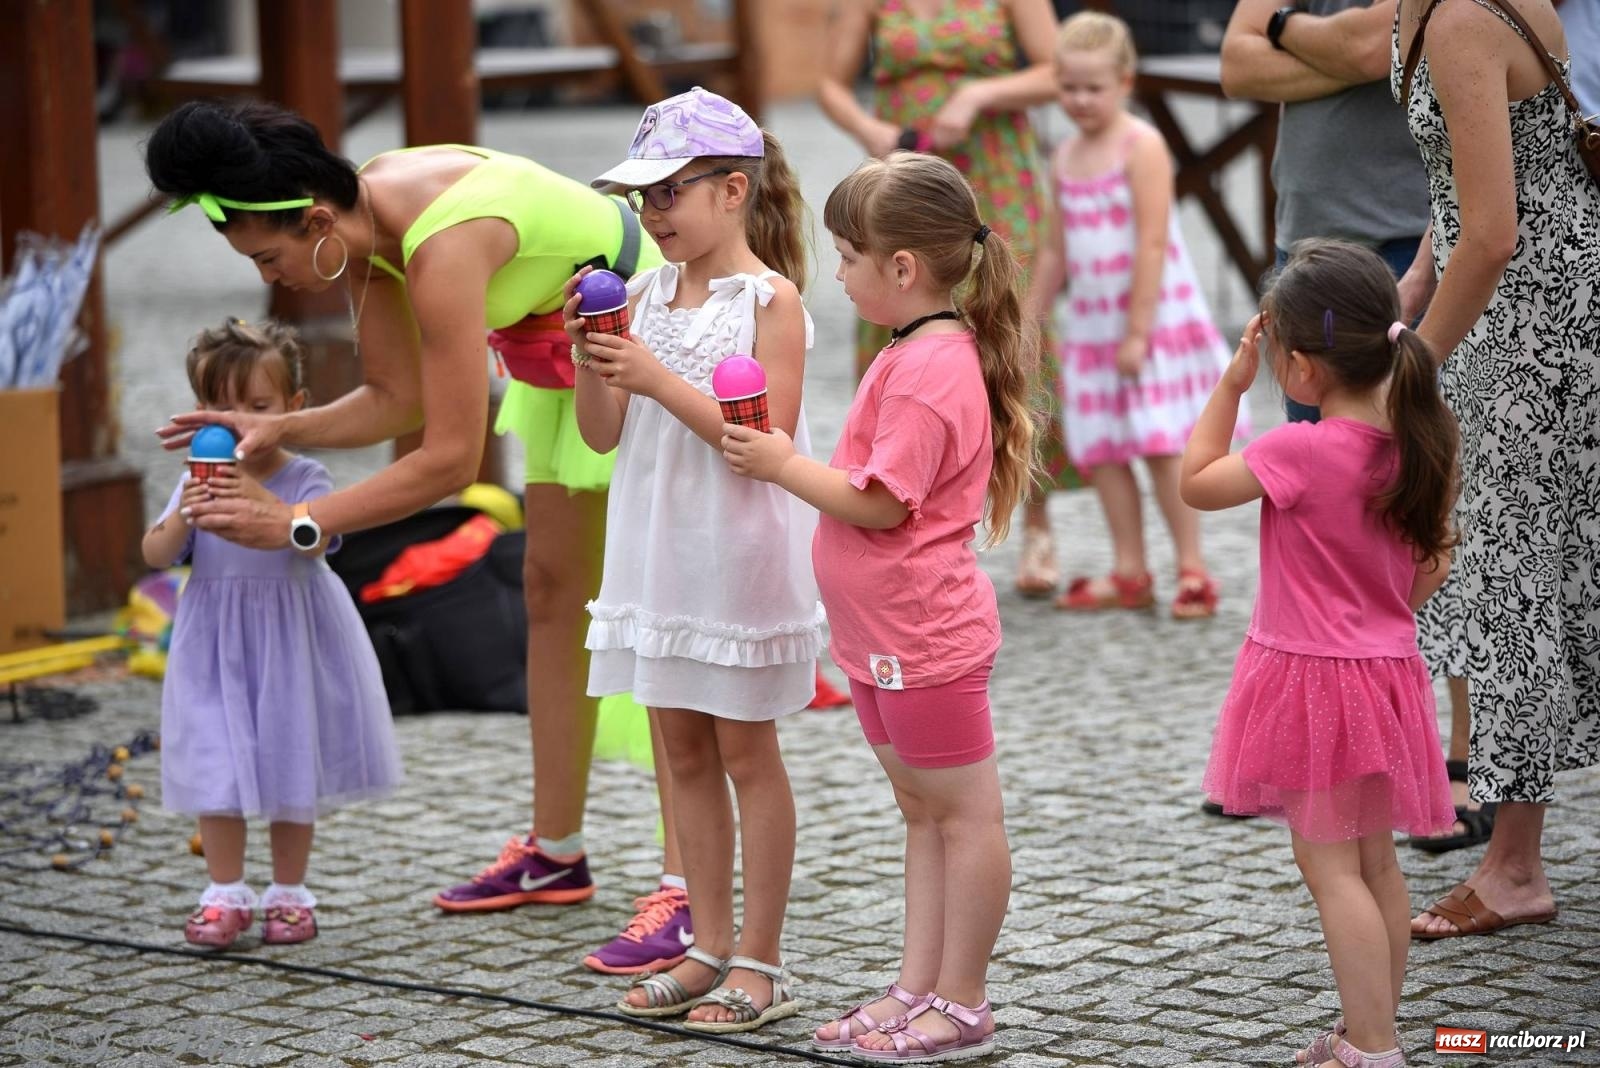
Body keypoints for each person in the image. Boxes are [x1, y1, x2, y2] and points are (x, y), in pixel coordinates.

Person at [143, 100, 691, 975]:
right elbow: (396, 400)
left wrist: (295, 522)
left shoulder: (440, 244)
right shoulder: (367, 227)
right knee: (551, 592)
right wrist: (276, 430)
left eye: (268, 258)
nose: (274, 279)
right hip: (562, 359)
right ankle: (556, 850)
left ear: (315, 219)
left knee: (654, 614)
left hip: (646, 351)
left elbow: (447, 459)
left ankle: (689, 883)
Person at [723, 151, 1031, 1062]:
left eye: (849, 257)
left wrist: (784, 465)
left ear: (902, 268)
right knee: (921, 812)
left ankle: (962, 1000)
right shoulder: (908, 350)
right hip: (880, 636)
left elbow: (882, 500)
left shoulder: (933, 369)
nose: (840, 274)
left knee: (963, 815)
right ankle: (917, 984)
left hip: (924, 636)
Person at [569, 87, 819, 1033]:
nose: (654, 215)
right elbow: (601, 436)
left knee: (745, 751)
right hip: (654, 545)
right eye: (644, 199)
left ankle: (761, 958)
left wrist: (656, 377)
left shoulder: (772, 299)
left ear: (733, 191)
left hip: (734, 545)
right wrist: (591, 359)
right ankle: (706, 942)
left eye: (671, 193)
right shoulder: (634, 297)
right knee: (678, 749)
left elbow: (771, 438)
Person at [1216, 1, 1491, 845]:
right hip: (1313, 248)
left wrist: (1287, 28)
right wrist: (1335, 47)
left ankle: (1457, 761)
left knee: (1411, 509)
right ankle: (1329, 752)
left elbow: (1381, 43)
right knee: (1314, 515)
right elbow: (1237, 67)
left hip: (1402, 253)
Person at [1184, 240, 1458, 1068]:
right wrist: (1377, 620)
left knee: (1329, 867)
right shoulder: (1418, 447)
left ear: (1301, 370)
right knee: (1376, 865)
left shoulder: (1297, 452)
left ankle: (1371, 1049)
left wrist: (1230, 388)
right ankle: (1372, 1029)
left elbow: (1196, 480)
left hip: (1313, 680)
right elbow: (1433, 565)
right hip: (1388, 676)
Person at [1395, 0, 1599, 939]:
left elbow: (1496, 233)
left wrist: (1413, 367)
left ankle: (1515, 867)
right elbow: (1475, 185)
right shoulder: (1418, 10)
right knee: (1531, 575)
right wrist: (1415, 284)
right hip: (1510, 312)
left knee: (1512, 582)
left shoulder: (1462, 18)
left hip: (1535, 330)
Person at [142, 317, 404, 949]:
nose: (239, 425)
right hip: (215, 644)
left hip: (289, 640)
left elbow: (316, 547)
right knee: (216, 764)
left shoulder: (304, 478)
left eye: (257, 407)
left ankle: (288, 893)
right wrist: (184, 513)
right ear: (200, 412)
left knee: (290, 765)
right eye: (220, 408)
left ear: (293, 409)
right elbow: (155, 555)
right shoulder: (191, 482)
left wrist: (264, 502)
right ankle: (225, 892)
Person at [817, 0, 1077, 598]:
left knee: (1013, 335)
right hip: (904, 177)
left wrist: (980, 95)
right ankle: (898, 500)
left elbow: (1056, 71)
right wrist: (868, 129)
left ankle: (1032, 515)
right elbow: (830, 84)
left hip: (992, 168)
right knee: (902, 329)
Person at [1029, 12, 1244, 619]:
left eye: (1093, 88)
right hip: (1093, 329)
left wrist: (1138, 332)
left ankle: (1191, 566)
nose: (1079, 100)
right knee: (1103, 450)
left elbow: (1153, 241)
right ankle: (1130, 568)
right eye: (1068, 88)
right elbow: (1055, 249)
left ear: (1125, 82)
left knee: (1158, 443)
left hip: (1148, 322)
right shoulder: (1065, 156)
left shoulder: (1141, 145)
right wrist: (1027, 319)